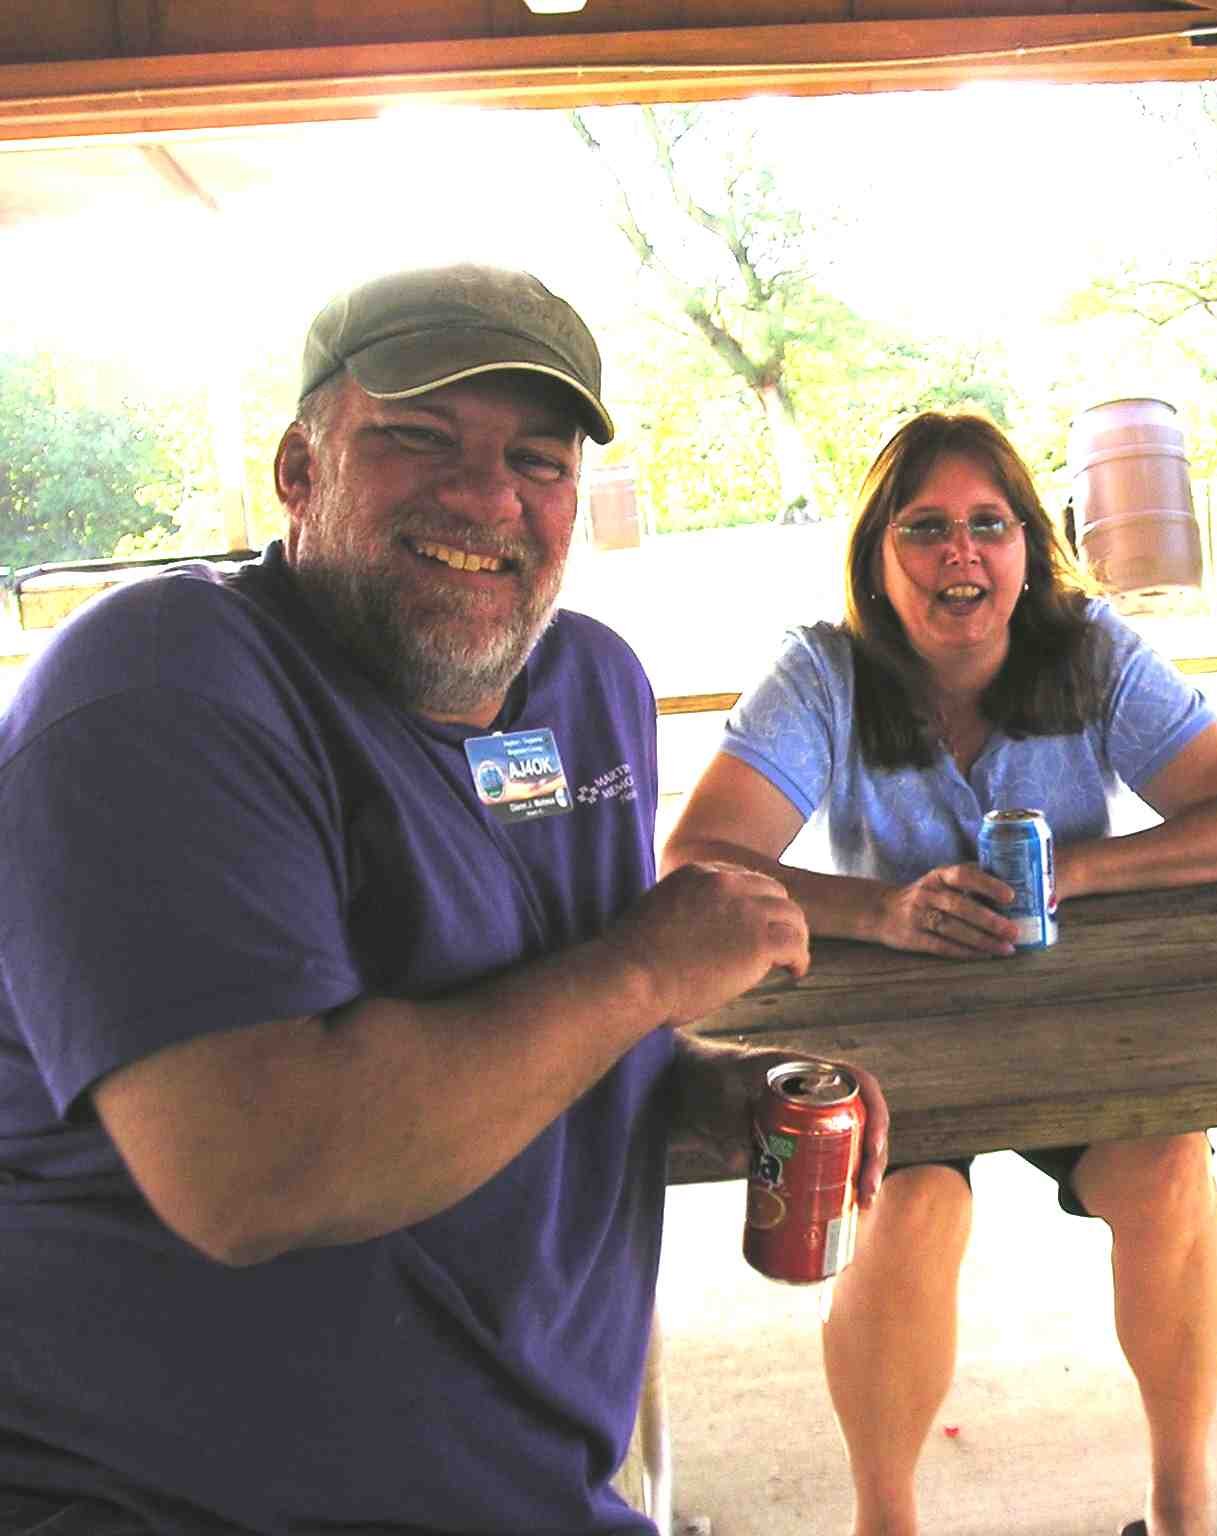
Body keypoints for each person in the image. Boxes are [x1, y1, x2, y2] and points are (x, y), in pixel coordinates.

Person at [0, 263, 885, 1534]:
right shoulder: (161, 685)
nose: (486, 496)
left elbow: (530, 1017)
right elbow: (258, 1168)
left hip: (529, 1490)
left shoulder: (590, 687)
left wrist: (696, 1079)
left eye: (538, 460)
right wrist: (647, 970)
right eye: (416, 439)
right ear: (298, 471)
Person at [665, 411, 1217, 1536]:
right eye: (924, 528)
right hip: (900, 1031)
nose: (960, 553)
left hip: (1084, 1016)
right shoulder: (824, 673)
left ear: (1028, 549)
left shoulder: (1091, 652)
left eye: (989, 525)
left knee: (1167, 1165)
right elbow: (697, 861)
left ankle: (1180, 1504)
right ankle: (886, 1521)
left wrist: (1075, 874)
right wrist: (880, 911)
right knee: (906, 1208)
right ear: (876, 558)